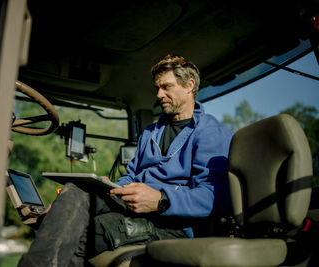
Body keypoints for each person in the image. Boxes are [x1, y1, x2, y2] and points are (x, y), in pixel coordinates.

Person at [17, 54, 234, 267]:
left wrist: (161, 199)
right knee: (76, 189)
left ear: (189, 85)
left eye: (166, 87)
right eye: (157, 88)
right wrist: (107, 187)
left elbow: (215, 196)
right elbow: (130, 176)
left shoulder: (210, 132)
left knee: (84, 232)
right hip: (130, 206)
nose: (159, 94)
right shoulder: (150, 132)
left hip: (171, 224)